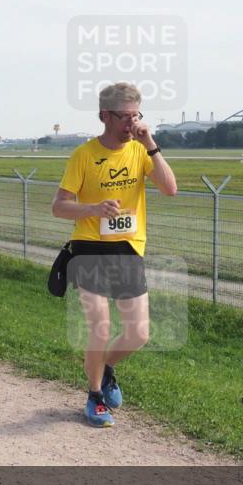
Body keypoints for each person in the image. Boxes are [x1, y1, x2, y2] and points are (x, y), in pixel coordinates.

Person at [52, 82, 177, 427]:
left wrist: (150, 145)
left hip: (128, 249)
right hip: (89, 248)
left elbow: (170, 189)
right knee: (101, 327)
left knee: (139, 333)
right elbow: (59, 206)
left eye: (137, 115)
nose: (132, 123)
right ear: (104, 116)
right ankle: (94, 396)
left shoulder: (140, 151)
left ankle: (106, 368)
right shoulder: (84, 155)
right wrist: (92, 209)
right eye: (125, 117)